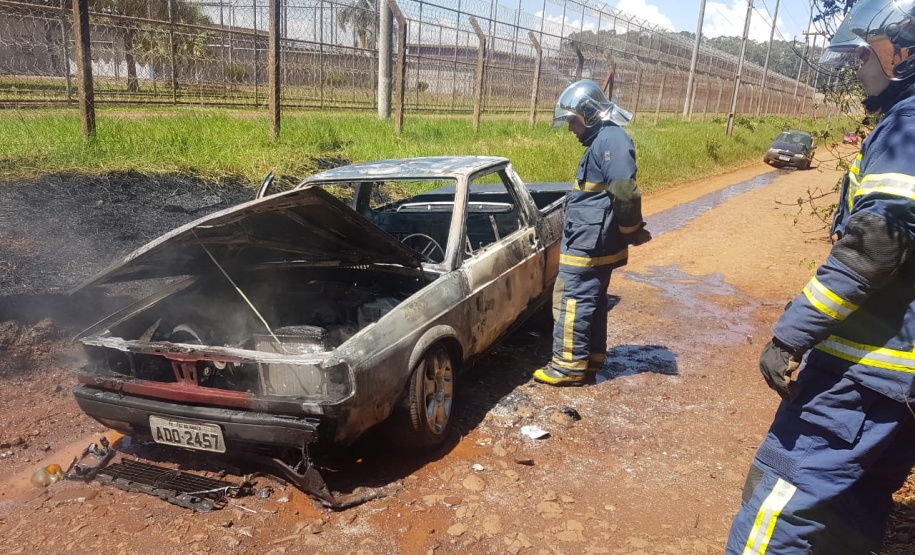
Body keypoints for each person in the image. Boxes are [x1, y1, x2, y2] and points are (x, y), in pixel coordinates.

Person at [727, 0, 915, 552]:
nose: (858, 65)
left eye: (865, 54)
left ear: (901, 54)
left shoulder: (907, 130)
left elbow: (876, 243)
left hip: (862, 372)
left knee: (781, 511)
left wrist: (791, 332)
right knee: (852, 512)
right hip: (897, 384)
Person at [533, 80, 650, 387]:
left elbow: (624, 190)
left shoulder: (611, 139)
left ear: (588, 114)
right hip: (590, 238)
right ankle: (590, 360)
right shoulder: (604, 140)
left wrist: (631, 230)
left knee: (573, 301)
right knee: (593, 302)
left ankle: (568, 367)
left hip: (589, 244)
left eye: (572, 120)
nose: (571, 128)